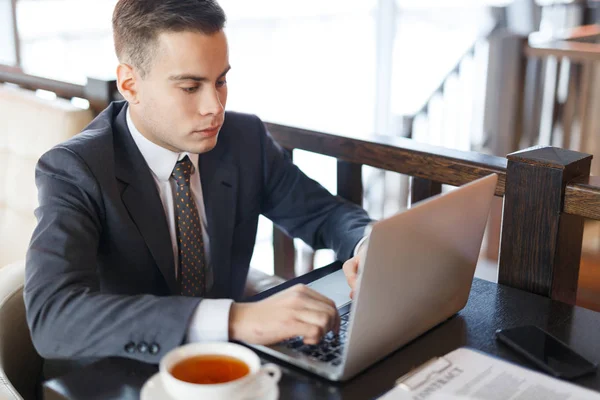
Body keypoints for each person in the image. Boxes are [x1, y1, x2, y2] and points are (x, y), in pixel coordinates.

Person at [24, 0, 371, 378]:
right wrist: (236, 318)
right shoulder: (74, 169)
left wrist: (367, 246)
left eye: (220, 80)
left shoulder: (244, 139)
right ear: (129, 84)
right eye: (190, 87)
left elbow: (323, 213)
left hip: (229, 366)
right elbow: (52, 317)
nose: (215, 107)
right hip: (122, 372)